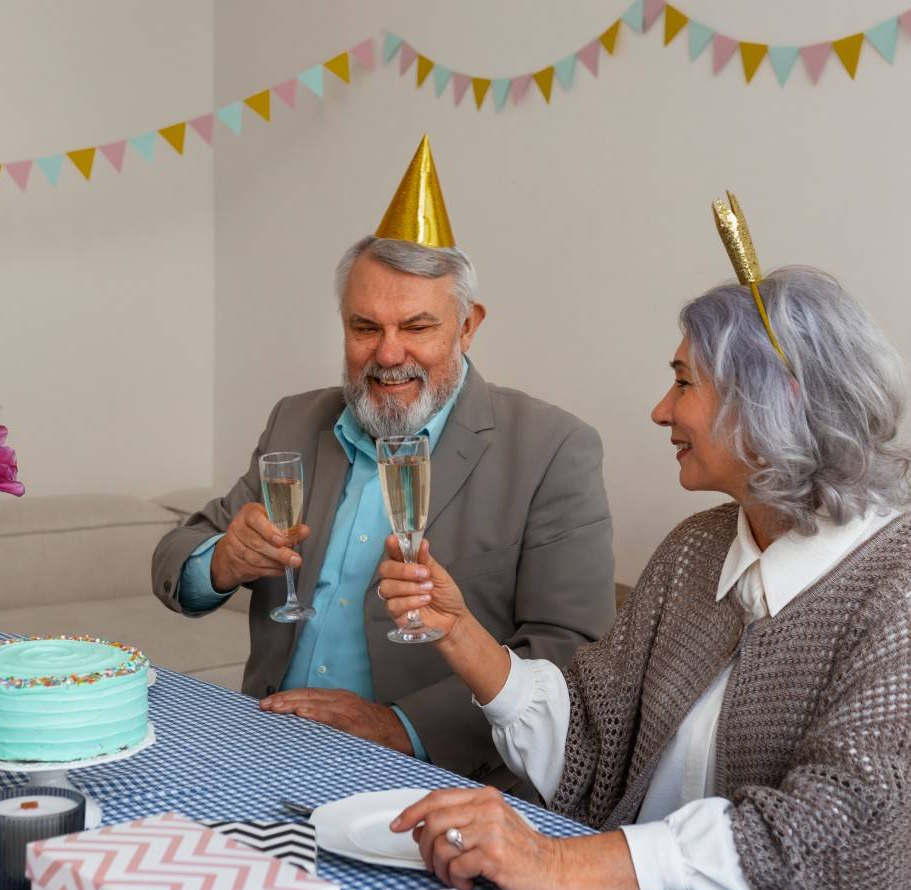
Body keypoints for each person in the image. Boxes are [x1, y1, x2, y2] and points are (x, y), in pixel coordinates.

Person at [376, 197, 911, 890]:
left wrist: (559, 859)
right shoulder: (701, 545)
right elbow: (595, 746)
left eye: (682, 383)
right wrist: (464, 635)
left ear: (770, 403)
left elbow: (833, 839)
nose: (661, 410)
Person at [152, 137, 615, 787]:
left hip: (427, 778)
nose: (388, 353)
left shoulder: (551, 448)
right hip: (258, 744)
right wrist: (221, 561)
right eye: (365, 326)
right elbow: (175, 556)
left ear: (468, 326)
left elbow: (572, 660)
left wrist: (402, 726)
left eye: (417, 327)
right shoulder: (298, 420)